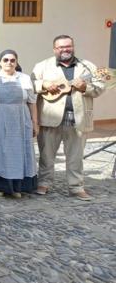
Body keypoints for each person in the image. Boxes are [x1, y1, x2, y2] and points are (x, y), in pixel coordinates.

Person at [31, 35, 105, 200]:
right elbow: (30, 84)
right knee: (46, 154)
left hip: (77, 118)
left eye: (68, 46)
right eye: (61, 47)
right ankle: (43, 183)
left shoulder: (87, 66)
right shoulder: (43, 66)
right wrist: (43, 85)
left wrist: (85, 86)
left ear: (73, 47)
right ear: (54, 49)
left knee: (76, 156)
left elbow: (100, 86)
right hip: (50, 117)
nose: (65, 50)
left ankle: (76, 187)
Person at [0, 49, 38, 198]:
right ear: (0, 62)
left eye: (12, 60)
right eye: (5, 60)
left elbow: (32, 103)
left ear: (17, 62)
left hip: (20, 119)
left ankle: (17, 187)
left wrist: (35, 123)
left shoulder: (24, 79)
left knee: (18, 151)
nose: (9, 63)